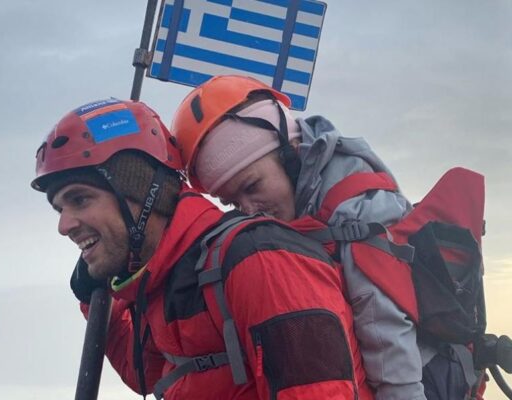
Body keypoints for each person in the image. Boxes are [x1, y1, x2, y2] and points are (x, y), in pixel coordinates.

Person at [31, 97, 374, 399]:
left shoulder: (259, 260)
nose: (64, 226)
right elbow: (147, 373)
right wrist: (96, 302)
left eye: (80, 199)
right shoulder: (169, 277)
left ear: (141, 191)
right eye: (60, 209)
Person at [171, 75, 427, 400]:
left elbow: (386, 330)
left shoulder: (356, 211)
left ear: (290, 153)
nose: (249, 211)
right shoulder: (303, 210)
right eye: (233, 203)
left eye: (252, 186)